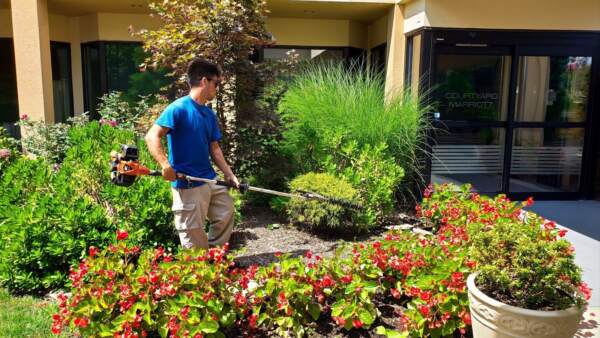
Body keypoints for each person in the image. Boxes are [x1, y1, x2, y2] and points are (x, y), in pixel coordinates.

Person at [145, 58, 239, 250]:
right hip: (188, 184)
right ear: (204, 81)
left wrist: (229, 174)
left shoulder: (208, 114)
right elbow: (151, 136)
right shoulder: (178, 108)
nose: (217, 87)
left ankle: (213, 258)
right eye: (216, 83)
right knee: (192, 235)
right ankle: (199, 269)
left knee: (225, 211)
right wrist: (165, 165)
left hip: (210, 179)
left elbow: (214, 148)